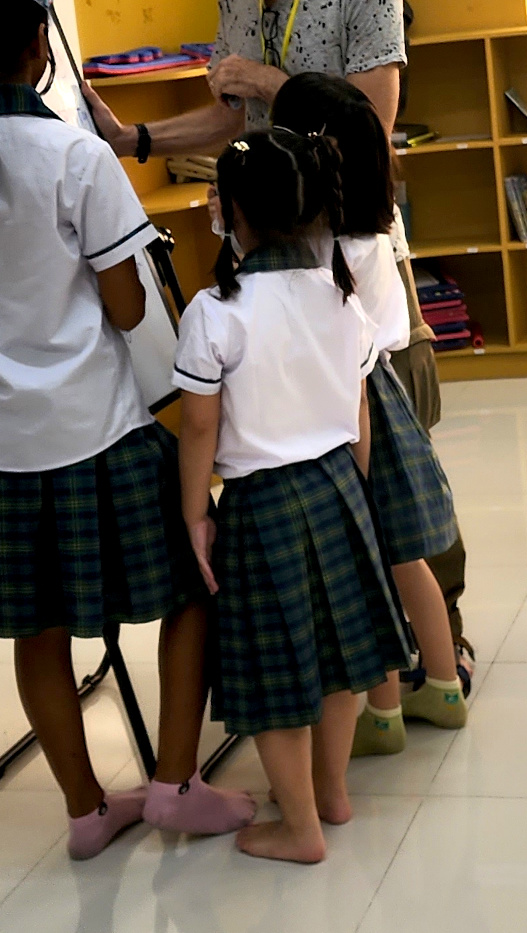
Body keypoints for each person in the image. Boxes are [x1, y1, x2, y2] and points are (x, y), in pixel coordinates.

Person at [0, 0, 255, 861]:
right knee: (195, 582)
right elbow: (127, 310)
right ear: (37, 46)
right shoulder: (74, 155)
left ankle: (87, 809)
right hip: (91, 431)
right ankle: (174, 782)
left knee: (34, 624)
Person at [84, 0, 472, 670]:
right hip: (266, 261)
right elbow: (232, 116)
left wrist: (268, 78)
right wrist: (135, 138)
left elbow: (369, 126)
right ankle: (363, 657)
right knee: (311, 459)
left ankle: (445, 636)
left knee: (396, 463)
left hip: (352, 255)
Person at [174, 128, 410, 864]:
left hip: (262, 502)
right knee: (341, 657)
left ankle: (301, 827)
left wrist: (195, 514)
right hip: (338, 486)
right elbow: (360, 410)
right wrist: (360, 496)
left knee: (277, 673)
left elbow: (199, 426)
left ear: (233, 212)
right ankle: (331, 794)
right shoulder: (340, 296)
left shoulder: (215, 311)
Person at [271, 75, 468, 751]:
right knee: (406, 558)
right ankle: (442, 684)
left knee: (368, 565)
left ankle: (381, 714)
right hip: (385, 394)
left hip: (349, 408)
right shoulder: (374, 229)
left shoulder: (318, 249)